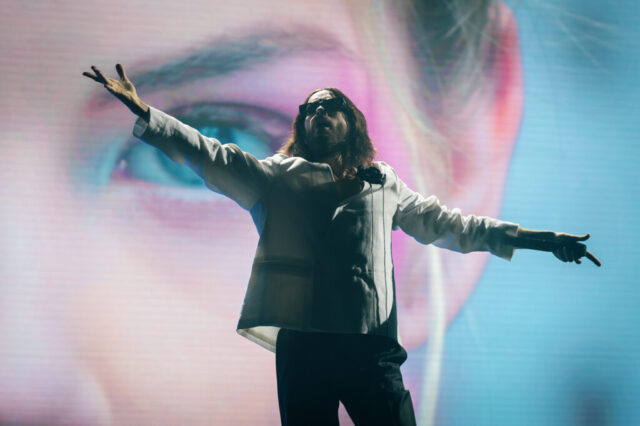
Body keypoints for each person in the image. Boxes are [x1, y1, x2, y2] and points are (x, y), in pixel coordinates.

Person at [81, 63, 599, 425]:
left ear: (351, 122)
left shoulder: (383, 183)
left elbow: (454, 226)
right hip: (304, 345)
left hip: (370, 348)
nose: (320, 115)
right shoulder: (275, 178)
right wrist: (144, 111)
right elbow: (209, 153)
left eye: (331, 108)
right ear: (301, 126)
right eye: (310, 110)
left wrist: (543, 239)